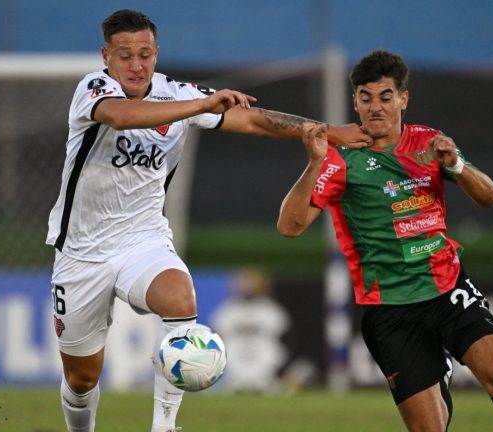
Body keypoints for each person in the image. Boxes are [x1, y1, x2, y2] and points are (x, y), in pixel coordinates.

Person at [45, 9, 370, 432]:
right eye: (125, 55)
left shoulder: (174, 93)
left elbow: (253, 119)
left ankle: (164, 427)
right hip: (82, 255)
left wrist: (328, 131)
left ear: (157, 53)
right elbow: (121, 116)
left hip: (142, 241)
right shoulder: (94, 88)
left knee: (181, 302)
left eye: (145, 54)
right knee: (82, 377)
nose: (136, 64)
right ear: (106, 56)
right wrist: (201, 105)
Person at [277, 50, 493, 432]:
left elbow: (490, 197)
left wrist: (455, 165)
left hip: (447, 287)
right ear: (354, 101)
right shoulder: (340, 160)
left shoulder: (429, 142)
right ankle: (439, 373)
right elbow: (290, 226)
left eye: (385, 97)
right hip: (389, 309)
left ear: (403, 99)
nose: (375, 107)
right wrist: (313, 163)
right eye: (365, 97)